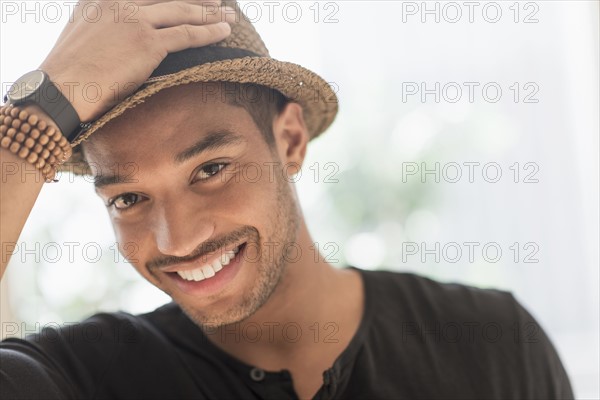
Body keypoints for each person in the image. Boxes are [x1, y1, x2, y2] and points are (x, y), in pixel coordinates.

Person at [0, 1, 574, 399]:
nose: (178, 239)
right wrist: (43, 110)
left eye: (211, 169)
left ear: (290, 139)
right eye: (128, 199)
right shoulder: (82, 377)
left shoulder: (492, 341)